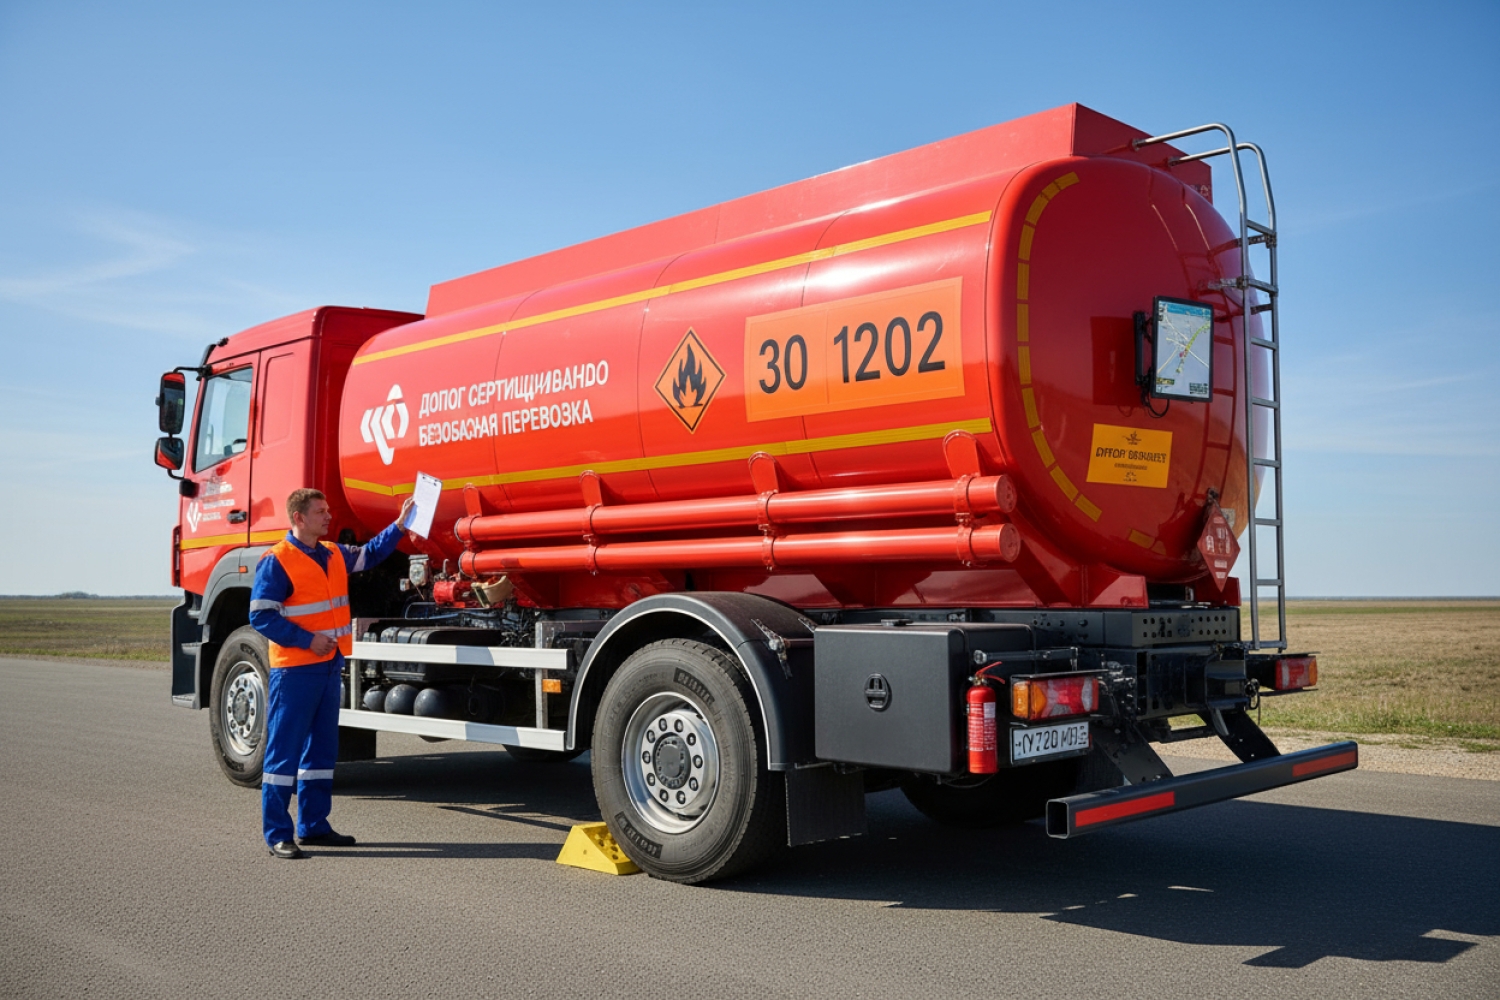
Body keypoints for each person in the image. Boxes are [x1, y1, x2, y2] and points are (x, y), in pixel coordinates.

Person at [249, 488, 412, 859]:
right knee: (283, 754)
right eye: (320, 512)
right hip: (295, 672)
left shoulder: (334, 553)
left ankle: (314, 826)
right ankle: (278, 834)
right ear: (299, 518)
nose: (328, 517)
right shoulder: (277, 560)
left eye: (327, 511)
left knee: (321, 752)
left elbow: (371, 554)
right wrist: (307, 640)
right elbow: (260, 615)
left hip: (328, 666)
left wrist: (399, 526)